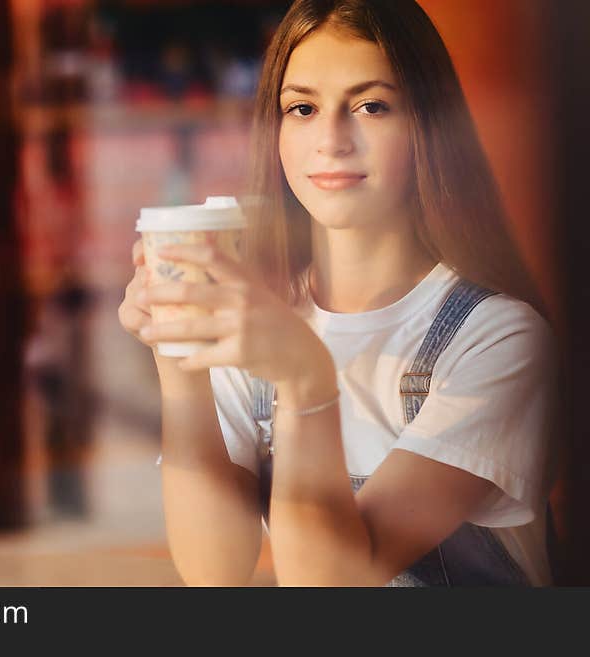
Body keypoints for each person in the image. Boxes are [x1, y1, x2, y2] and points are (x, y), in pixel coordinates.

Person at [118, 0, 561, 586]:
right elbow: (213, 570)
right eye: (301, 108)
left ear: (427, 121)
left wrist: (305, 383)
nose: (331, 139)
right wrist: (178, 360)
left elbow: (334, 582)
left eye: (371, 106)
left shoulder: (499, 338)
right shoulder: (257, 317)